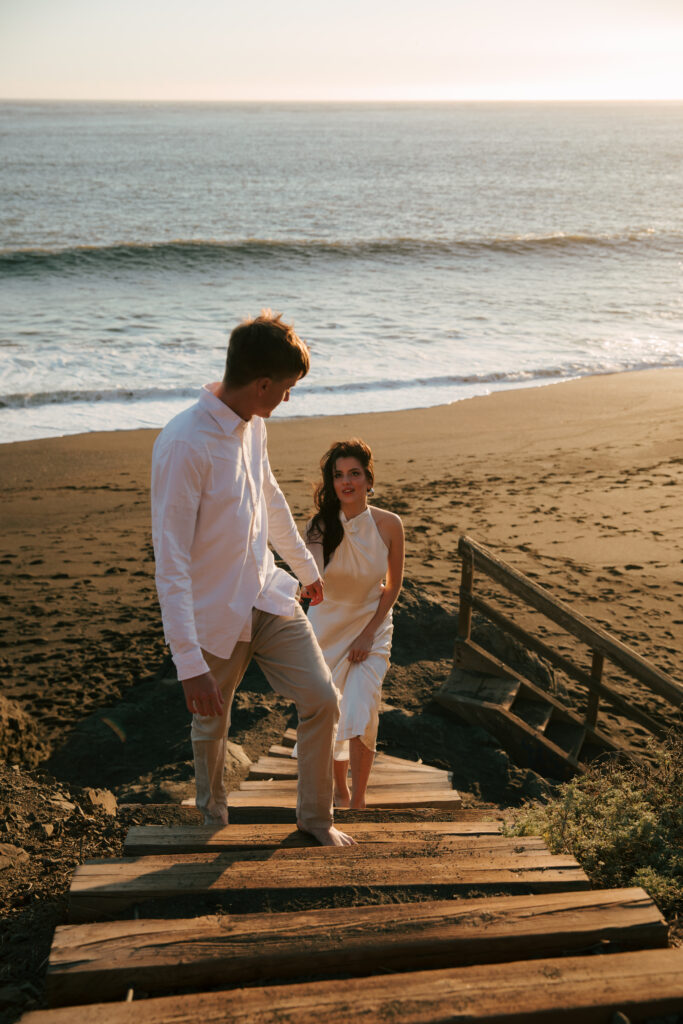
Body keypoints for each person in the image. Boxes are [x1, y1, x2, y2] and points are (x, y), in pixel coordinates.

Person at [151, 311, 354, 847]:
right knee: (211, 723)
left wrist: (306, 571)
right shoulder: (183, 445)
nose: (287, 399)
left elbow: (269, 498)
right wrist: (187, 663)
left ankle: (316, 821)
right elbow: (169, 562)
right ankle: (212, 822)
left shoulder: (254, 425)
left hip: (266, 592)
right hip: (213, 612)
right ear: (262, 383)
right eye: (286, 388)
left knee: (322, 698)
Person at [305, 439, 404, 809]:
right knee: (331, 709)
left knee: (362, 707)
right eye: (338, 475)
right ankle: (339, 790)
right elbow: (312, 574)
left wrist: (368, 631)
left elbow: (393, 586)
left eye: (354, 474)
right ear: (331, 483)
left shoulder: (390, 524)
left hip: (373, 624)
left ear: (368, 478)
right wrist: (308, 580)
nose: (346, 482)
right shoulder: (318, 527)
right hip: (327, 626)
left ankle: (359, 800)